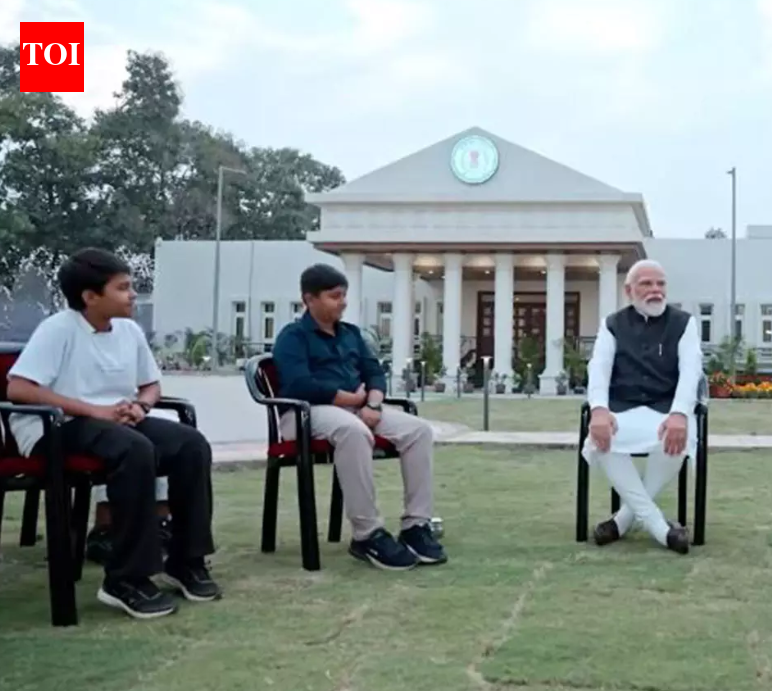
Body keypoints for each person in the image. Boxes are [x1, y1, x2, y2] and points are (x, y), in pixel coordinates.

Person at [6, 248, 219, 619]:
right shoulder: (58, 329)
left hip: (114, 423)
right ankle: (125, 579)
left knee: (190, 445)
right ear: (90, 296)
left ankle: (186, 560)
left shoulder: (128, 330)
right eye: (122, 288)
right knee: (134, 449)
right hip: (57, 427)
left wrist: (142, 406)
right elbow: (18, 388)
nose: (133, 295)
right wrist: (95, 410)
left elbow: (150, 385)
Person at [272, 263, 445, 571]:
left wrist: (373, 405)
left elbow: (374, 373)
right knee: (353, 432)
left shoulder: (351, 334)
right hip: (304, 414)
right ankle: (367, 534)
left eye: (344, 295)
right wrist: (351, 399)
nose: (342, 302)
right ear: (309, 299)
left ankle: (416, 526)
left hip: (357, 410)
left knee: (418, 430)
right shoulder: (292, 337)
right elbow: (300, 384)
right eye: (334, 296)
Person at [582, 259, 702, 555]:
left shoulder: (684, 323)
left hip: (666, 409)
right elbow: (599, 369)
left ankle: (622, 521)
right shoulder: (612, 324)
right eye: (646, 284)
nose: (655, 290)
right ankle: (662, 530)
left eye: (660, 283)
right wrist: (599, 409)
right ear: (629, 291)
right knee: (602, 437)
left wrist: (679, 413)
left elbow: (691, 372)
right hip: (623, 409)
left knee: (677, 437)